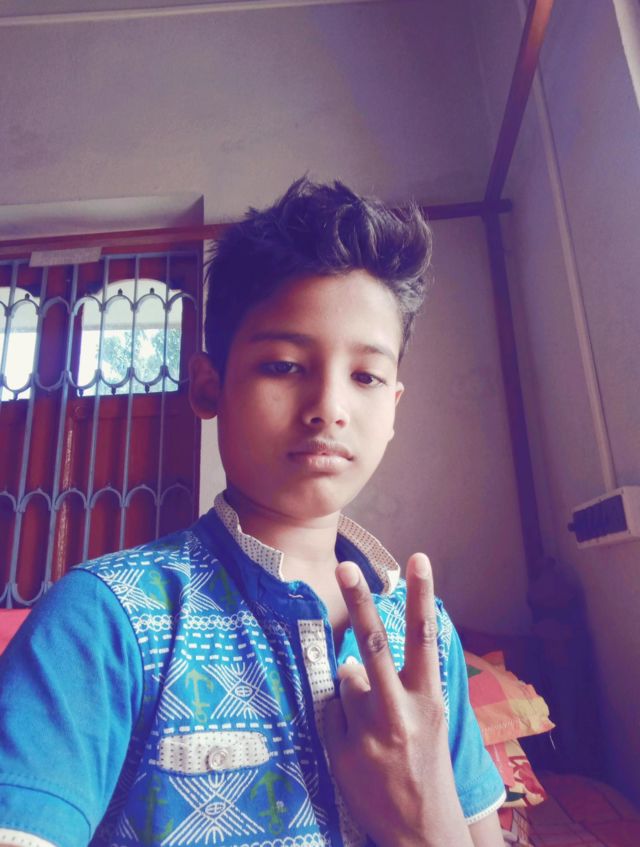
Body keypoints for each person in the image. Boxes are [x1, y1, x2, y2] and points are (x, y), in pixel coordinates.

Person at [0, 178, 506, 847]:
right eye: (285, 365)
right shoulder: (104, 618)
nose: (329, 407)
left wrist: (424, 822)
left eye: (365, 376)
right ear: (209, 386)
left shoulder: (427, 635)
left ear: (393, 410)